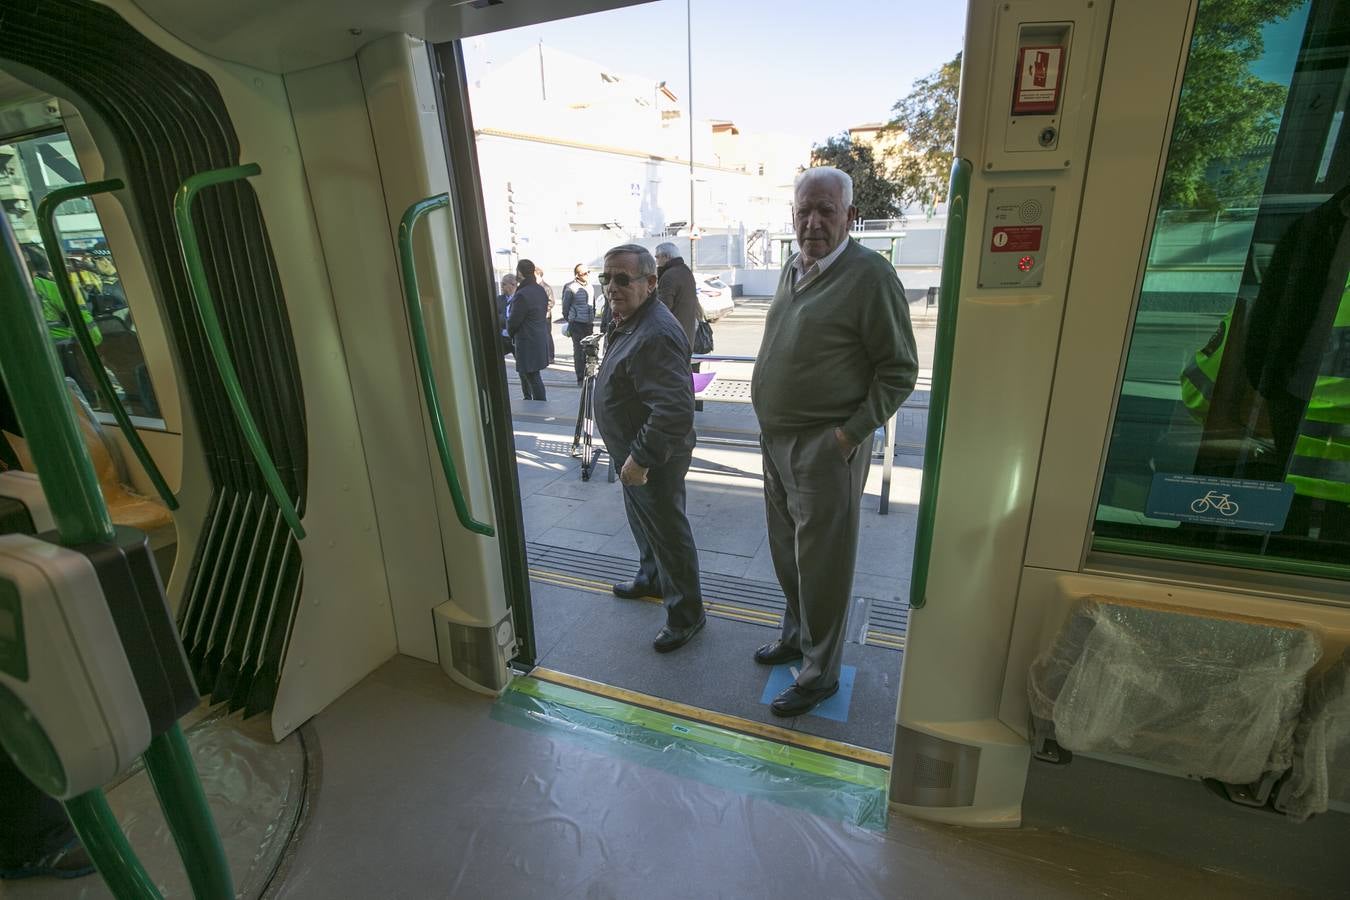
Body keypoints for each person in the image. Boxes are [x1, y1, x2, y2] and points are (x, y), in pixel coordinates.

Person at [750, 166, 918, 717]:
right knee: (787, 553)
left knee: (823, 564)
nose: (814, 222)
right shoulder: (793, 268)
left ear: (850, 216)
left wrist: (847, 435)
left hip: (824, 447)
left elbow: (898, 372)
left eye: (826, 210)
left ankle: (819, 672)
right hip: (776, 441)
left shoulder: (871, 276)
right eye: (804, 212)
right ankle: (797, 636)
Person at [594, 243, 705, 652]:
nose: (611, 287)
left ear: (650, 282)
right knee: (645, 522)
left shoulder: (655, 332)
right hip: (633, 454)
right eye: (607, 278)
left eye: (622, 279)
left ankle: (687, 615)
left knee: (667, 531)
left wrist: (640, 458)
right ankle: (651, 577)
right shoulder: (631, 319)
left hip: (653, 457)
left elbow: (675, 410)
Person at [507, 260, 551, 401]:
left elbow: (514, 321)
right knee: (531, 374)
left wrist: (510, 332)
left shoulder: (522, 294)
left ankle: (538, 404)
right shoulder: (539, 290)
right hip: (538, 337)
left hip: (527, 340)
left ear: (520, 272)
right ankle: (534, 402)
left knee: (532, 376)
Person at [654, 242, 700, 350]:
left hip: (672, 337)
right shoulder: (686, 271)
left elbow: (662, 309)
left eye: (657, 257)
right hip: (686, 334)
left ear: (666, 257)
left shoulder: (669, 275)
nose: (656, 261)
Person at [561, 264, 599, 385]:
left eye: (588, 272)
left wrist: (592, 316)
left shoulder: (590, 287)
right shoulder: (570, 288)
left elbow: (592, 304)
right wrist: (571, 319)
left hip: (588, 323)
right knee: (578, 351)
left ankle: (590, 375)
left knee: (590, 350)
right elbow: (565, 308)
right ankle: (580, 378)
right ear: (577, 275)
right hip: (576, 323)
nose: (587, 275)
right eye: (584, 273)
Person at [496, 273, 517, 358]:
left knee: (522, 364)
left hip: (516, 338)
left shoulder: (519, 298)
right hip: (503, 337)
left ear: (512, 285)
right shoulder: (499, 299)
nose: (501, 287)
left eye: (504, 284)